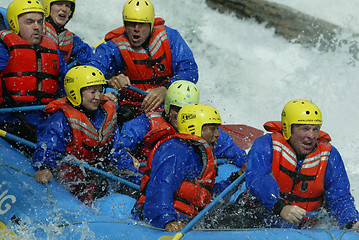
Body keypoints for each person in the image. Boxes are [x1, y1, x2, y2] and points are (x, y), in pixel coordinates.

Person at [32, 66, 142, 206]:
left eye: (100, 90)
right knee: (97, 183)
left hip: (96, 168)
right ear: (75, 92)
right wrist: (45, 167)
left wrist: (135, 178)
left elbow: (117, 152)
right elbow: (48, 146)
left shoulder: (105, 113)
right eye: (92, 92)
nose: (98, 96)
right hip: (72, 174)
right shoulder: (60, 118)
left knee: (128, 186)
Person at [245, 99, 359, 229]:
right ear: (288, 129)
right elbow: (257, 180)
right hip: (260, 219)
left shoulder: (329, 155)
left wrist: (352, 221)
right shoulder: (265, 145)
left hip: (308, 226)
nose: (311, 135)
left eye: (315, 129)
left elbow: (339, 195)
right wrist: (280, 207)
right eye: (305, 129)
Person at [132, 103, 245, 232]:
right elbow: (162, 186)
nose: (218, 134)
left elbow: (206, 198)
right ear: (194, 128)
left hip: (189, 219)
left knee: (242, 218)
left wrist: (236, 177)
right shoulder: (175, 150)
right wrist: (168, 220)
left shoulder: (197, 154)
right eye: (212, 128)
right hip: (164, 220)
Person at [87, 0, 198, 125]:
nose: (136, 29)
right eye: (131, 24)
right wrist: (110, 80)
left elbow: (190, 70)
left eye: (142, 24)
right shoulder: (113, 47)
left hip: (170, 107)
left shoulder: (170, 37)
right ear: (124, 24)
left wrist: (167, 89)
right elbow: (89, 71)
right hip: (134, 110)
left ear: (151, 25)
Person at [119, 80, 247, 172]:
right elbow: (118, 149)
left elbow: (234, 153)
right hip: (147, 178)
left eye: (186, 110)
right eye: (177, 109)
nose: (181, 115)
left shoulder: (203, 129)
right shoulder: (143, 125)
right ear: (168, 107)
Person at [0, 0, 68, 146]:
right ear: (14, 24)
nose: (37, 27)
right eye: (29, 22)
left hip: (47, 125)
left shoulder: (52, 51)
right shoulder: (3, 52)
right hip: (11, 124)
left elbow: (67, 84)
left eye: (40, 21)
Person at [42, 0, 93, 64]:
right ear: (47, 7)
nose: (64, 9)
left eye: (68, 6)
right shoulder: (35, 31)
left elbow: (92, 59)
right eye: (59, 4)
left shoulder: (72, 39)